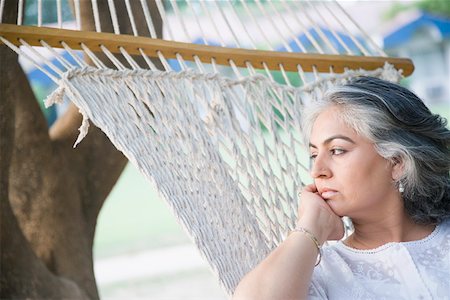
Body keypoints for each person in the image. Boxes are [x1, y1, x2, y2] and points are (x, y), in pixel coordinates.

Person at [232, 76, 450, 299]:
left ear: (397, 162)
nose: (317, 170)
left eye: (337, 150)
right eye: (314, 155)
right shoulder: (315, 273)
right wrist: (310, 226)